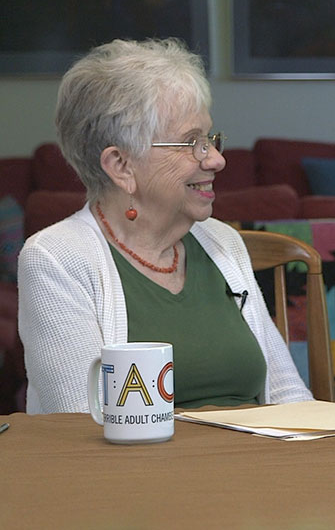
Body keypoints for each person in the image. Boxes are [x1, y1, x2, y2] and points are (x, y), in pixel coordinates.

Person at [18, 38, 313, 413]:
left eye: (210, 139)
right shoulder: (56, 259)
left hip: (257, 461)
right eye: (193, 143)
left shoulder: (221, 242)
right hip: (142, 469)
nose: (217, 160)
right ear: (121, 166)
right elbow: (81, 424)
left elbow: (288, 394)